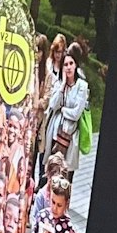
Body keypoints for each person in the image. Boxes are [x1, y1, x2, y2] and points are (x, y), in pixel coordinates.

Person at [44, 43, 90, 171]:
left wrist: (63, 110)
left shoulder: (82, 86)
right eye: (65, 64)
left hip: (70, 135)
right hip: (55, 133)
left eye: (71, 63)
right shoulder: (60, 84)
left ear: (75, 65)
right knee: (52, 171)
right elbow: (53, 105)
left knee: (66, 173)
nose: (68, 67)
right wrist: (63, 85)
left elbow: (76, 114)